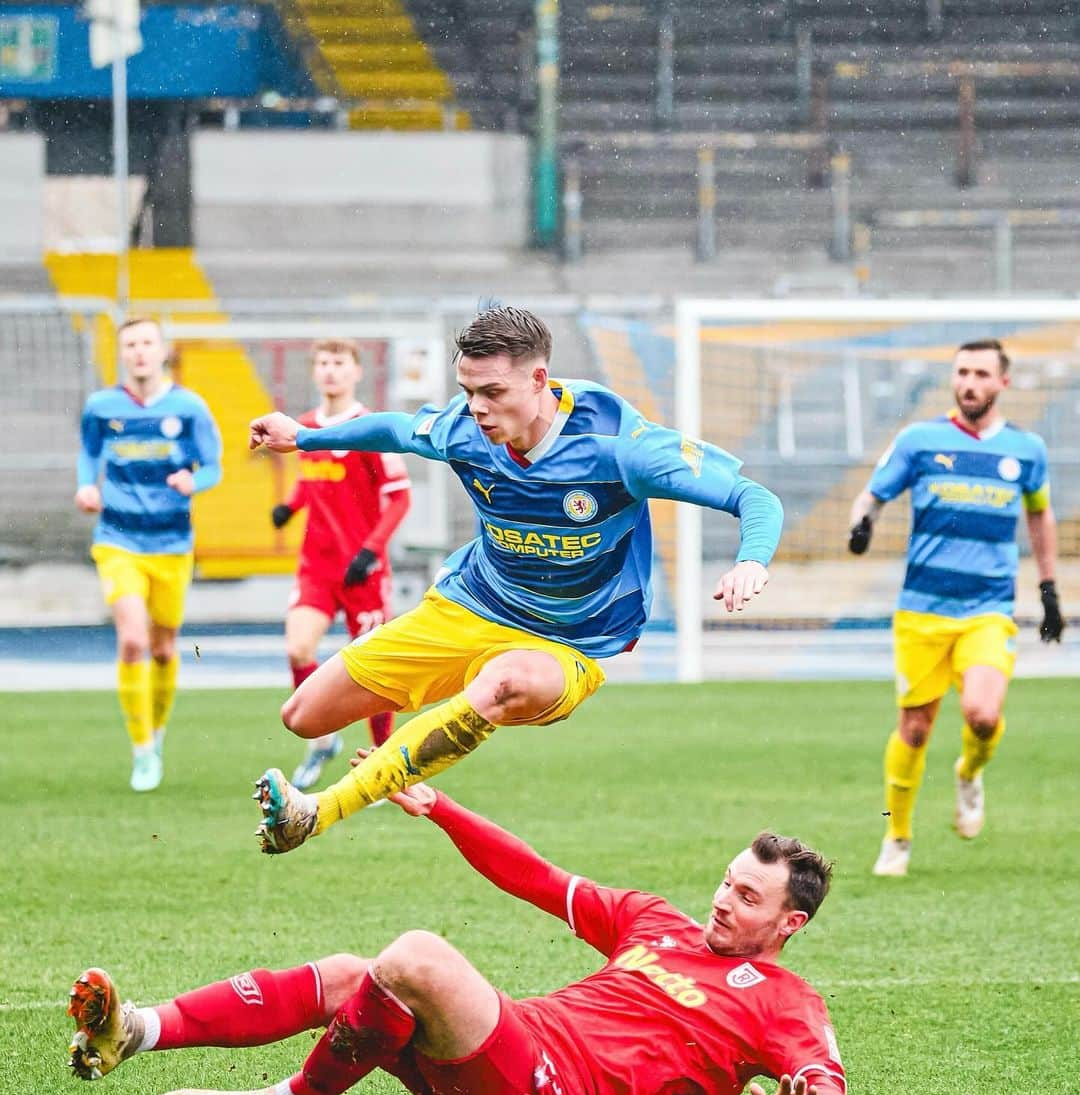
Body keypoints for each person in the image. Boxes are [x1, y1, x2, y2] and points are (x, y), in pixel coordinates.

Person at [246, 306, 784, 855]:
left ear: (538, 380)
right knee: (303, 716)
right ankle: (469, 688)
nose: (477, 407)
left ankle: (316, 811)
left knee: (505, 683)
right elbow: (398, 430)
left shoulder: (623, 446)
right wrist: (306, 437)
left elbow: (752, 496)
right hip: (472, 606)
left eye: (493, 392)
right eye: (468, 390)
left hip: (569, 641)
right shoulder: (465, 429)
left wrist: (751, 560)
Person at [67, 772, 848, 1095]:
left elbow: (827, 1091)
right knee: (351, 975)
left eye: (749, 899)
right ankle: (138, 1029)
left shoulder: (785, 1000)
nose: (722, 900)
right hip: (514, 1042)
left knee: (416, 958)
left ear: (792, 923)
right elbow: (535, 877)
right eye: (727, 882)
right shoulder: (656, 922)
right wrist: (444, 809)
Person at [848, 338, 1064, 877]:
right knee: (915, 730)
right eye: (962, 372)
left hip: (988, 609)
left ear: (1002, 383)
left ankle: (969, 771)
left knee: (983, 716)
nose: (969, 383)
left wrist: (1050, 588)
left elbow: (1040, 517)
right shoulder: (919, 440)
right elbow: (873, 495)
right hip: (921, 610)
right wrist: (862, 524)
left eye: (981, 374)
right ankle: (896, 835)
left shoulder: (1026, 450)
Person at [75, 315, 223, 791]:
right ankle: (141, 750)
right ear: (122, 353)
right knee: (133, 640)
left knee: (163, 648)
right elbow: (89, 452)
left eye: (146, 343)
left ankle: (156, 733)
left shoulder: (190, 407)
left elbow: (214, 466)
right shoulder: (102, 406)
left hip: (172, 544)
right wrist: (85, 485)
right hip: (117, 539)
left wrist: (192, 480)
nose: (139, 351)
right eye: (131, 344)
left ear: (162, 350)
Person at [270, 338, 412, 789]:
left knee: (375, 671)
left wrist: (371, 551)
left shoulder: (370, 428)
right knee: (298, 648)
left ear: (356, 372)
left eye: (340, 363)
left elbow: (399, 498)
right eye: (324, 363)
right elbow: (314, 482)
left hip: (362, 571)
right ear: (315, 372)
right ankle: (323, 737)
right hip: (317, 567)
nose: (331, 371)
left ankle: (383, 766)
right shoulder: (305, 427)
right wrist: (290, 507)